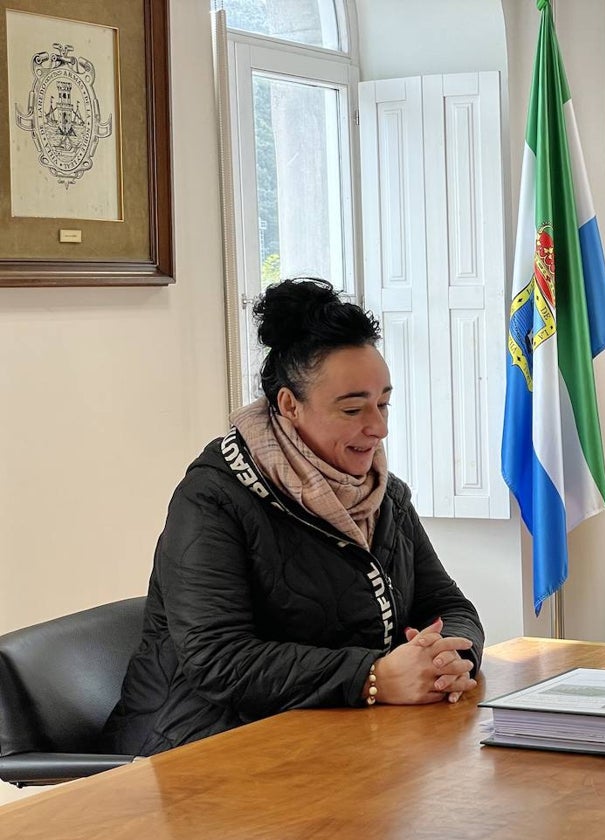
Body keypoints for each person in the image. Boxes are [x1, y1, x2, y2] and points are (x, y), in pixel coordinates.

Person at [104, 278, 484, 756]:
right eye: (353, 409)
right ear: (289, 405)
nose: (379, 428)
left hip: (334, 738)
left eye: (384, 403)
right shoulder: (212, 500)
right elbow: (217, 659)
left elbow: (447, 604)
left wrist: (451, 655)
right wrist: (372, 676)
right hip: (199, 750)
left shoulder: (385, 496)